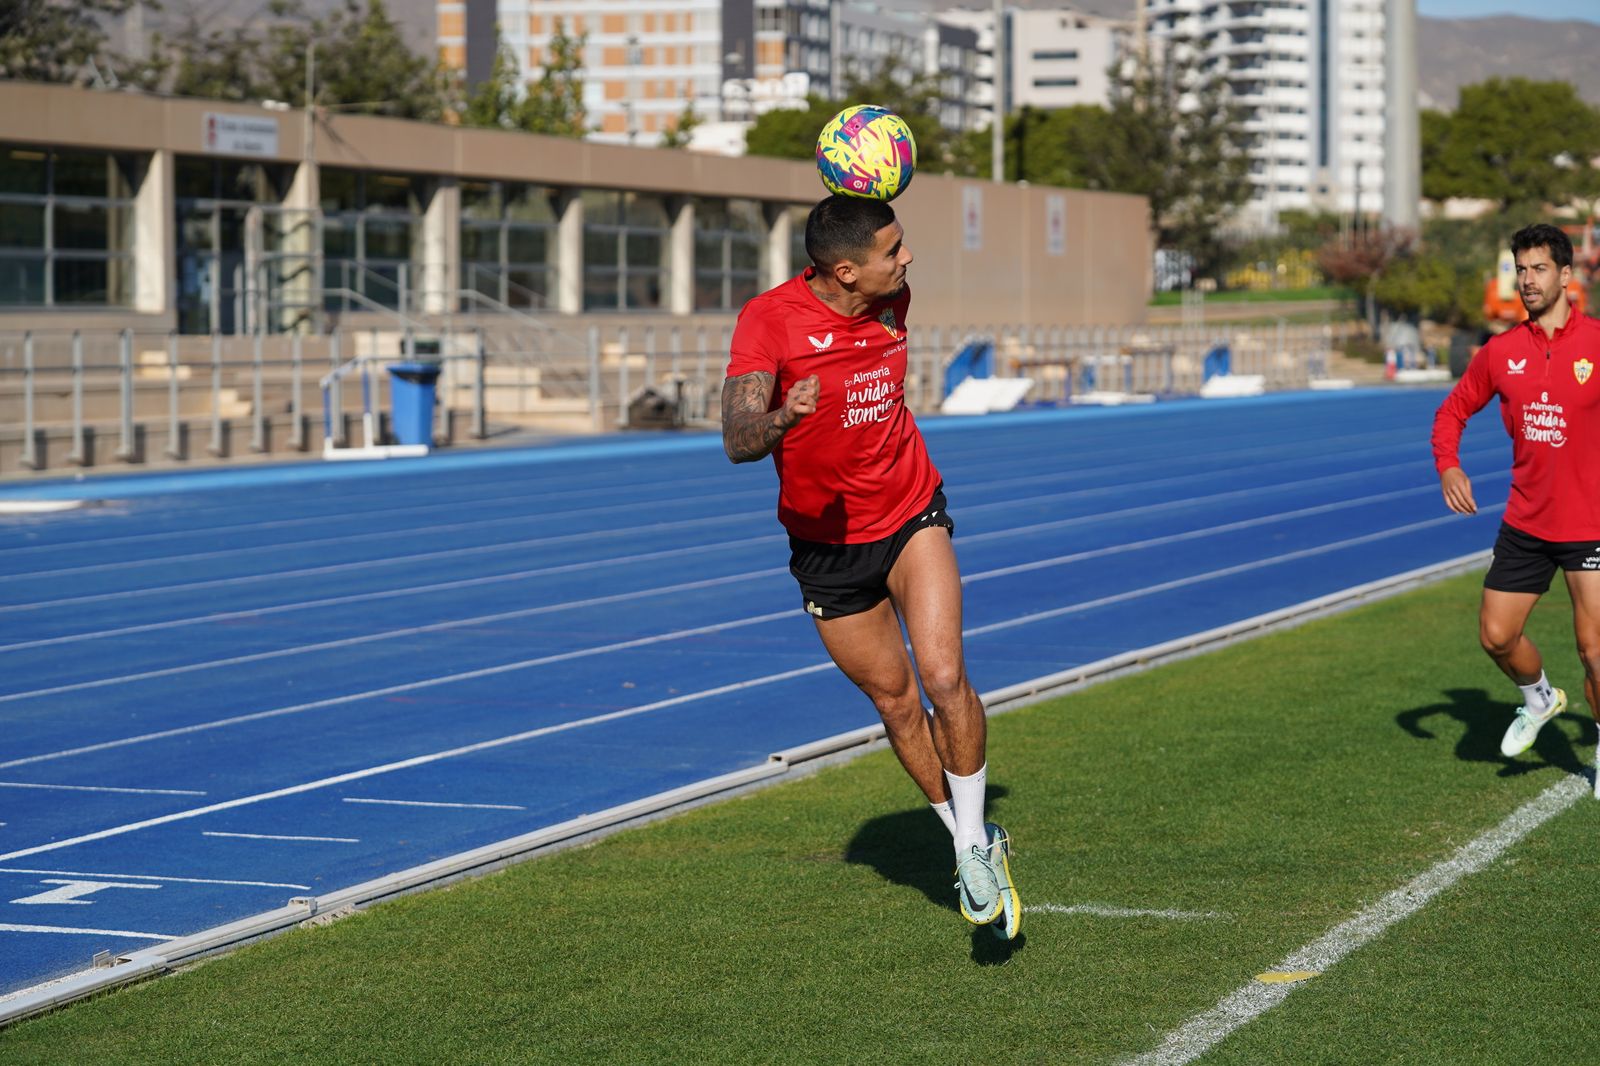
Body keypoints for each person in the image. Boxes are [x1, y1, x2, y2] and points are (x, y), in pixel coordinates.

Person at [720, 194, 1021, 939]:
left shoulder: (893, 297)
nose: (908, 258)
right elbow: (736, 437)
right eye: (893, 251)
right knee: (895, 702)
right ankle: (968, 839)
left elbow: (854, 219)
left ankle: (973, 846)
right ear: (847, 271)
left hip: (909, 510)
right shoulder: (768, 319)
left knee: (943, 677)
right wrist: (783, 417)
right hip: (825, 545)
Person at [1431, 222, 1600, 786]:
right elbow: (1451, 412)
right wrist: (1449, 464)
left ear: (1566, 275)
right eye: (1520, 269)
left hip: (1591, 523)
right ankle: (1540, 699)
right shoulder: (1500, 352)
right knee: (1496, 636)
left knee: (1595, 652)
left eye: (1539, 269)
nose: (1527, 280)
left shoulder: (1597, 343)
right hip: (1527, 521)